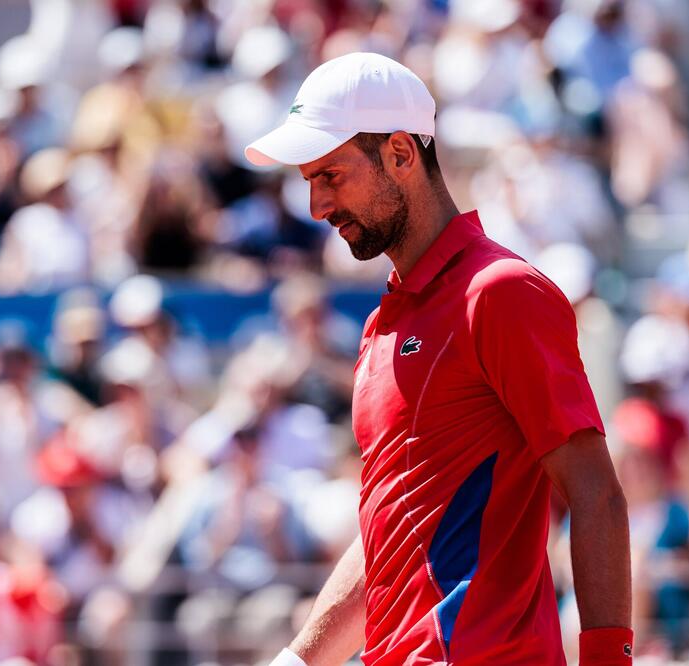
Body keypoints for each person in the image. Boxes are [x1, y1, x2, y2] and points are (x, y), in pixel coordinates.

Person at [245, 52, 632, 666]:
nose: (317, 207)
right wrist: (299, 659)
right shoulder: (379, 326)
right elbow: (392, 535)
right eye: (309, 181)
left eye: (331, 176)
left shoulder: (501, 292)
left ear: (401, 153)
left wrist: (609, 660)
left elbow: (595, 492)